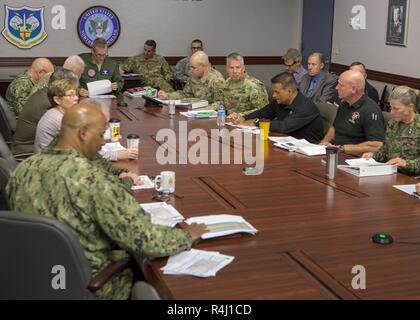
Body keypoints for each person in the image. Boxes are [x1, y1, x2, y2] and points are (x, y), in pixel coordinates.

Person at [6, 103, 208, 299]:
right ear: (83, 133)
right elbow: (145, 239)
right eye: (101, 135)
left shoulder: (22, 170)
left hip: (35, 279)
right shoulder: (93, 180)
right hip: (90, 284)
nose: (103, 142)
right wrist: (187, 235)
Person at [227, 72, 324, 143]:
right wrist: (243, 118)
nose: (274, 95)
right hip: (287, 143)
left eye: (277, 92)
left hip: (309, 149)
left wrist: (256, 123)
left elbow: (284, 126)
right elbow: (261, 112)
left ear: (289, 91)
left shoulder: (305, 107)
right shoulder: (279, 101)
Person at [320, 70, 385, 155]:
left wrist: (342, 148)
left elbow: (376, 145)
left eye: (341, 85)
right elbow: (335, 127)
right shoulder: (344, 104)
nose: (336, 87)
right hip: (336, 152)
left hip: (353, 157)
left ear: (353, 89)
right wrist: (325, 142)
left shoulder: (370, 110)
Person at [362, 86, 420, 175]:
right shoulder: (393, 123)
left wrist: (406, 163)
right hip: (391, 173)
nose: (392, 112)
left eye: (396, 108)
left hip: (412, 178)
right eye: (390, 107)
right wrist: (373, 156)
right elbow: (385, 150)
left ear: (410, 107)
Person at [158, 51, 225, 107]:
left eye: (193, 67)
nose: (191, 70)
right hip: (193, 112)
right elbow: (185, 94)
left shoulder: (216, 80)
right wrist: (168, 96)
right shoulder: (194, 76)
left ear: (203, 66)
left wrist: (209, 108)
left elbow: (221, 103)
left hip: (209, 116)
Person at [34, 79, 79, 153]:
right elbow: (79, 145)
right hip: (47, 161)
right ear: (57, 100)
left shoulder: (57, 112)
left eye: (76, 94)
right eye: (70, 95)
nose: (76, 98)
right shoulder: (59, 119)